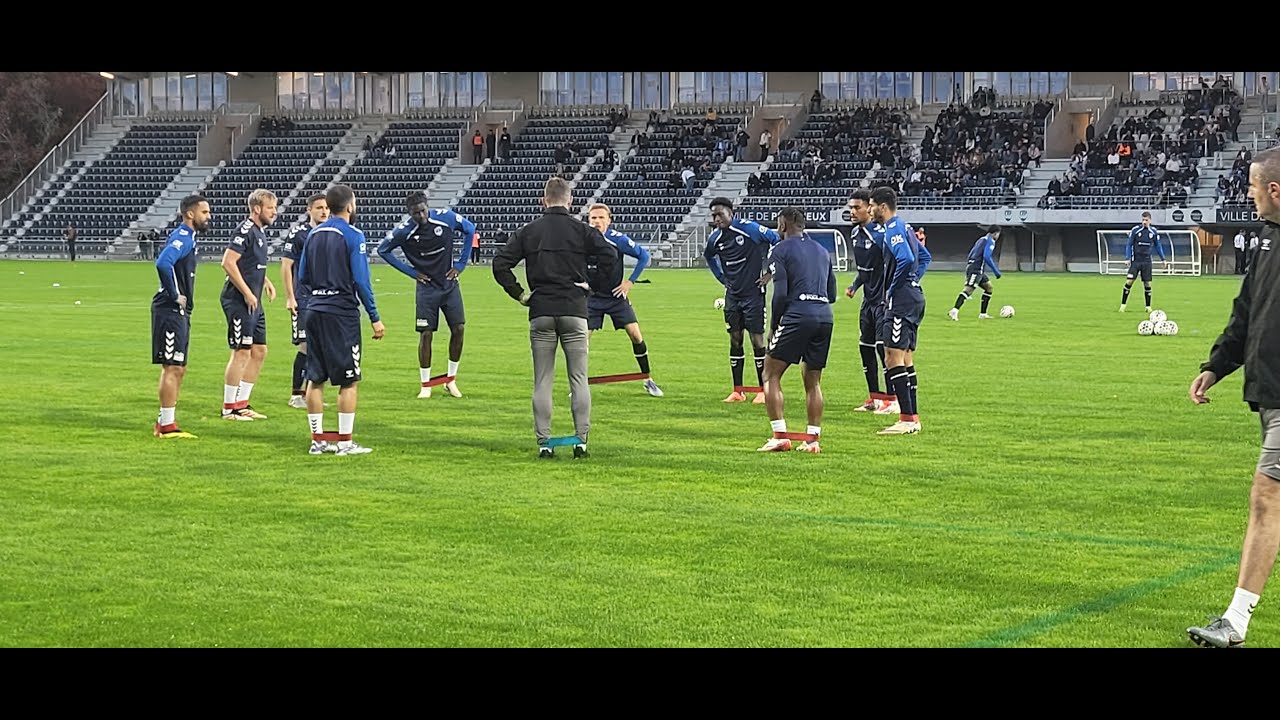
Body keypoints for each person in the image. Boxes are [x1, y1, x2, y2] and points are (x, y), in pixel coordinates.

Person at [1186, 147, 1280, 648]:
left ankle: (1235, 621)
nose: (1247, 194)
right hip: (1268, 394)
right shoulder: (1267, 242)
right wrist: (1215, 366)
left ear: (1274, 190)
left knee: (1267, 498)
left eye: (1251, 186)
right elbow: (1245, 313)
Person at [491, 176, 616, 459]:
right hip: (574, 309)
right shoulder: (582, 230)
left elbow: (500, 263)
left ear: (543, 200)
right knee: (579, 378)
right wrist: (592, 284)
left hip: (541, 310)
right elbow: (610, 256)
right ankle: (581, 440)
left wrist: (520, 293)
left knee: (543, 379)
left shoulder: (528, 231)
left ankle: (544, 441)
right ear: (570, 201)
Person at [296, 184, 385, 456]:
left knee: (315, 377)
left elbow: (303, 277)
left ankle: (317, 441)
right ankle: (345, 442)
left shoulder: (312, 234)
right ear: (349, 206)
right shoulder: (353, 235)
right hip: (341, 313)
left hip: (314, 310)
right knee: (349, 379)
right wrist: (374, 317)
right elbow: (361, 280)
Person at [377, 191, 476, 399]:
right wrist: (412, 273)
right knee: (426, 333)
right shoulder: (405, 231)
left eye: (422, 211)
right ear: (409, 213)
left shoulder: (445, 217)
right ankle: (426, 384)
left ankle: (451, 380)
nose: (421, 216)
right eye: (415, 214)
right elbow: (383, 250)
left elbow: (470, 229)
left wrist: (460, 263)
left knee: (458, 329)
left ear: (427, 206)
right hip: (427, 288)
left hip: (449, 284)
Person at [757, 207, 836, 454]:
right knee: (813, 380)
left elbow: (779, 294)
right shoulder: (823, 251)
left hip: (797, 314)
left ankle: (780, 435)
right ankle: (812, 440)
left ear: (783, 226)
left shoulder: (779, 250)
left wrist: (773, 327)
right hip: (824, 315)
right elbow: (832, 293)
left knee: (770, 373)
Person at [703, 197, 780, 404]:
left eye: (719, 214)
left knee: (757, 341)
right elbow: (708, 256)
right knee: (735, 339)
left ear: (731, 212)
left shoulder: (749, 229)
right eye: (713, 216)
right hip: (733, 296)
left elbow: (776, 239)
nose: (716, 219)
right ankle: (738, 390)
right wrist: (721, 278)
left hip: (754, 295)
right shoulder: (715, 239)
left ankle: (763, 391)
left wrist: (770, 272)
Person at [867, 187, 930, 435]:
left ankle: (906, 419)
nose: (870, 209)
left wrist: (893, 288)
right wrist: (914, 280)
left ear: (883, 207)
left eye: (872, 205)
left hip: (901, 300)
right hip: (913, 297)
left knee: (892, 355)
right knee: (904, 357)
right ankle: (912, 418)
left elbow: (905, 259)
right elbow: (925, 258)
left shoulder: (892, 228)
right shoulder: (906, 227)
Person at [585, 203, 663, 397]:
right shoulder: (581, 240)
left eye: (601, 218)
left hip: (615, 297)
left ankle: (648, 379)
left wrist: (630, 281)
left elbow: (644, 256)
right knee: (581, 341)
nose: (597, 221)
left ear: (609, 220)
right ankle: (579, 385)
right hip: (592, 298)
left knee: (636, 335)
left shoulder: (616, 239)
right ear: (588, 220)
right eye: (593, 218)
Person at [150, 195, 211, 439]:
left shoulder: (188, 238)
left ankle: (164, 420)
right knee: (172, 367)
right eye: (204, 212)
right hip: (169, 309)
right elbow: (163, 263)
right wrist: (175, 294)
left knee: (179, 367)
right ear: (190, 214)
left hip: (179, 312)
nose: (209, 216)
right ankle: (166, 426)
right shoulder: (182, 237)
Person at [219, 189, 278, 421]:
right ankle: (228, 408)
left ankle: (242, 403)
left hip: (254, 299)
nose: (275, 212)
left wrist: (266, 282)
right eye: (270, 208)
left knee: (259, 351)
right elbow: (228, 262)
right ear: (257, 209)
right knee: (241, 352)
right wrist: (246, 293)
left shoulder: (260, 232)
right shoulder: (245, 230)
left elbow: (250, 264)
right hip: (239, 300)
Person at [844, 189, 895, 414]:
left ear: (869, 208)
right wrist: (855, 286)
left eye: (857, 207)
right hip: (868, 301)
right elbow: (865, 269)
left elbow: (894, 264)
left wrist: (889, 293)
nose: (852, 211)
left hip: (883, 302)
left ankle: (891, 398)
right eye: (850, 207)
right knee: (865, 348)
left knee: (884, 350)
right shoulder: (855, 234)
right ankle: (874, 398)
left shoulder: (881, 234)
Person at [280, 193, 329, 408]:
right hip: (304, 298)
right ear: (309, 210)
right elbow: (285, 265)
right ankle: (296, 394)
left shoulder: (330, 232)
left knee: (320, 347)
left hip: (325, 298)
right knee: (305, 347)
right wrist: (290, 297)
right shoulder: (299, 233)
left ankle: (312, 394)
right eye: (319, 207)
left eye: (326, 207)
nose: (324, 211)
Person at [948, 226, 1003, 321]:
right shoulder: (990, 241)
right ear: (995, 233)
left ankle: (983, 314)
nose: (998, 236)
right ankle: (954, 310)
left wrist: (970, 263)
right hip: (976, 269)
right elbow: (987, 256)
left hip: (975, 268)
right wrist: (996, 271)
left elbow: (971, 253)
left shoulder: (981, 239)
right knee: (969, 290)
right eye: (998, 234)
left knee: (989, 287)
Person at [1120, 211, 1167, 313]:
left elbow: (1158, 246)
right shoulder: (1136, 230)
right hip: (1136, 261)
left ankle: (1148, 307)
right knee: (1129, 282)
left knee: (1148, 284)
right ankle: (1123, 305)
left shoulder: (1153, 232)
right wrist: (1127, 258)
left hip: (1147, 262)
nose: (1144, 222)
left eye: (1146, 220)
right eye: (1143, 220)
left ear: (1150, 220)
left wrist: (1163, 259)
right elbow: (1129, 245)